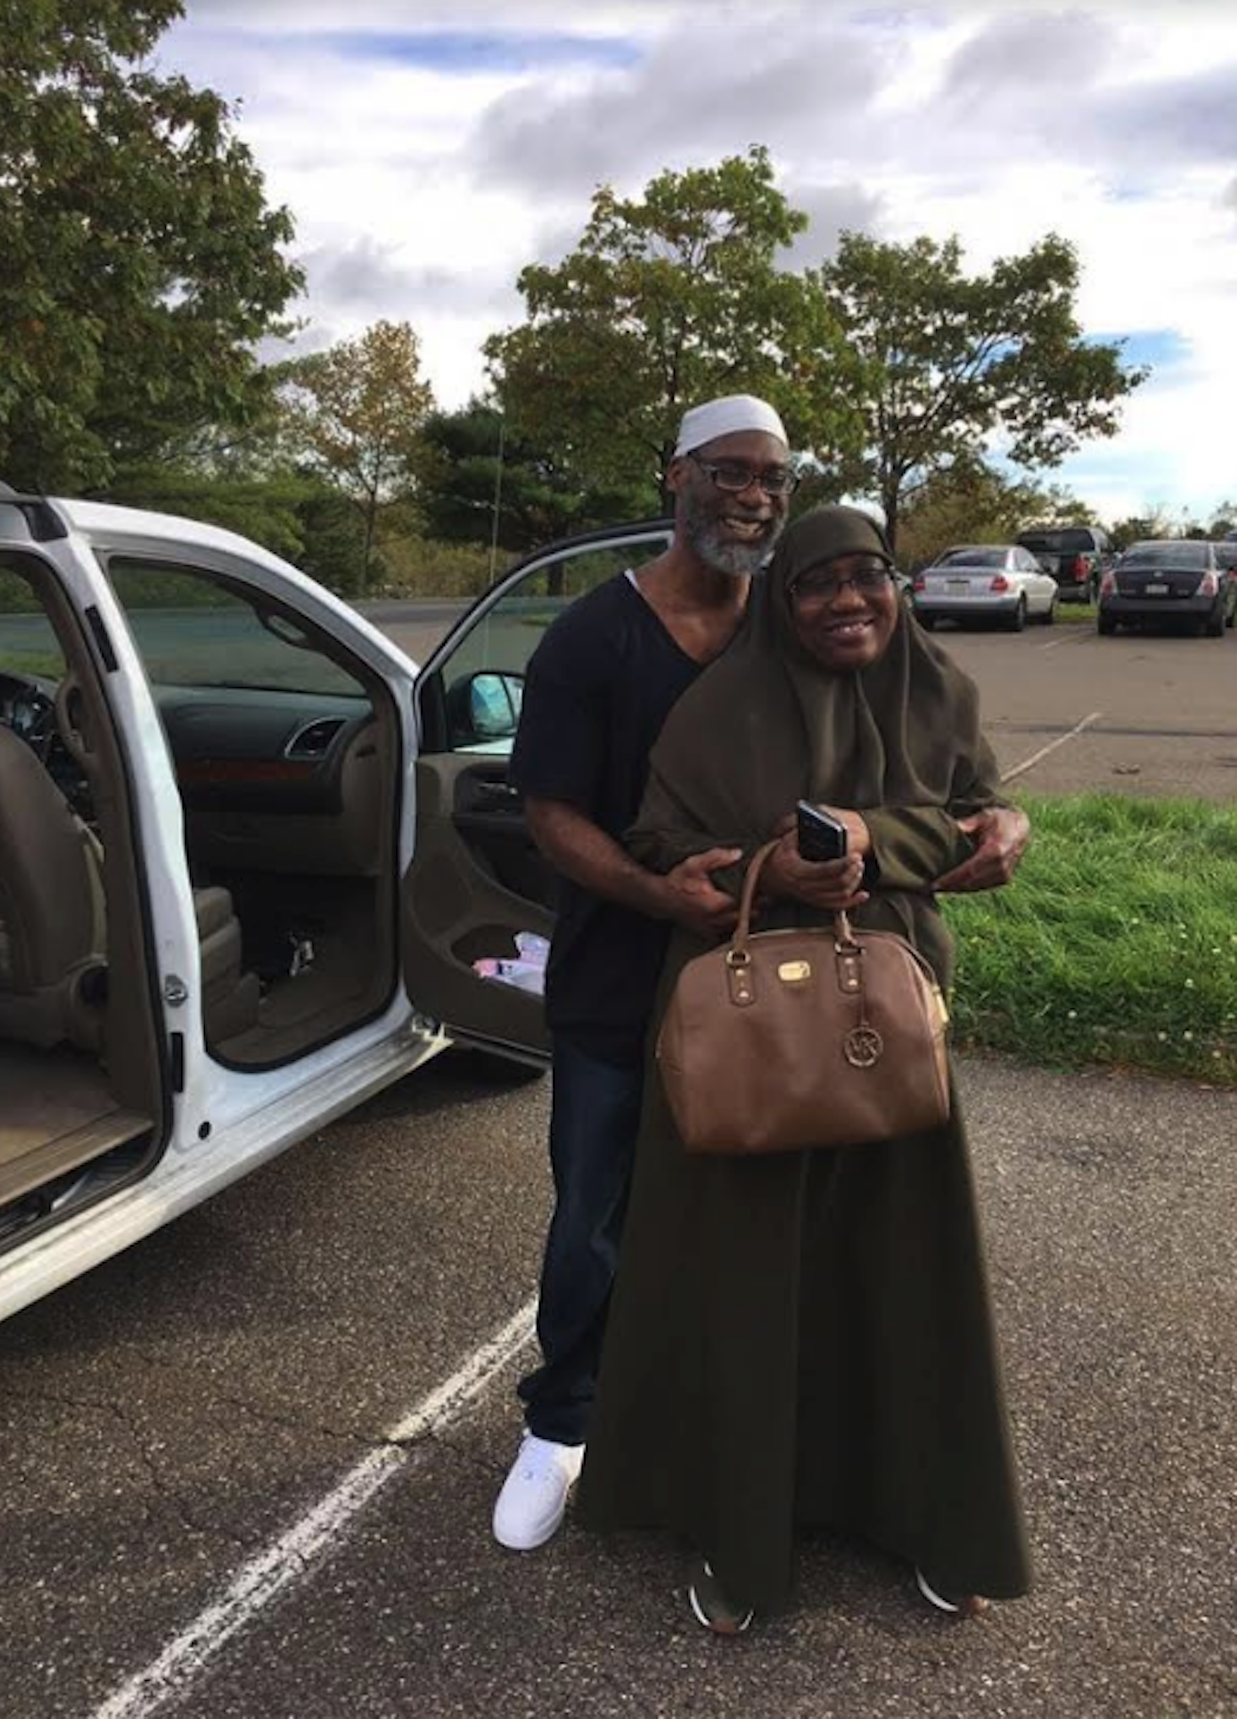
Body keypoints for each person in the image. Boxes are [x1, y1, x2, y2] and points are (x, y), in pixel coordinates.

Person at [576, 504, 1033, 1631]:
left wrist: (964, 831)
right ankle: (739, 1538)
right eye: (815, 584)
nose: (845, 601)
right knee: (742, 1284)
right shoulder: (716, 710)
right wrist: (768, 866)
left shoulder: (939, 692)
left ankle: (929, 1518)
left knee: (898, 1280)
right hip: (749, 1046)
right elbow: (656, 845)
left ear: (893, 585)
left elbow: (971, 816)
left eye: (865, 577)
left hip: (886, 1029)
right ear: (780, 606)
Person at [491, 394, 798, 1551]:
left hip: (773, 980)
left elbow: (900, 739)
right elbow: (549, 814)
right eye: (727, 472)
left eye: (770, 476)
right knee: (596, 1212)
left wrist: (985, 808)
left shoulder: (790, 623)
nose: (752, 495)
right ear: (673, 479)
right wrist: (656, 893)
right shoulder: (591, 637)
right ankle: (559, 1423)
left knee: (752, 1209)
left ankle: (734, 1414)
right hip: (620, 980)